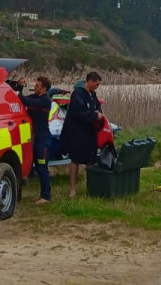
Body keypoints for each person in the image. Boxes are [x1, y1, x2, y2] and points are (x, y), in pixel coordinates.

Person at [60, 71, 103, 198]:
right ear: (89, 81)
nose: (97, 87)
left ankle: (91, 187)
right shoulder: (77, 94)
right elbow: (78, 112)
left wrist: (99, 114)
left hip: (90, 132)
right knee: (75, 159)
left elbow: (98, 107)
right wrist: (94, 115)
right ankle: (72, 189)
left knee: (91, 158)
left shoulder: (93, 94)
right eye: (96, 84)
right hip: (77, 132)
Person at [19, 76, 53, 204]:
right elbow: (24, 99)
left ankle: (46, 196)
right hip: (36, 138)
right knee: (38, 167)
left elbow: (27, 102)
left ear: (44, 89)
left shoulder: (45, 100)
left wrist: (19, 92)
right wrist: (19, 88)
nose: (35, 87)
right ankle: (42, 195)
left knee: (42, 167)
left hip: (43, 139)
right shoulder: (36, 97)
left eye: (38, 86)